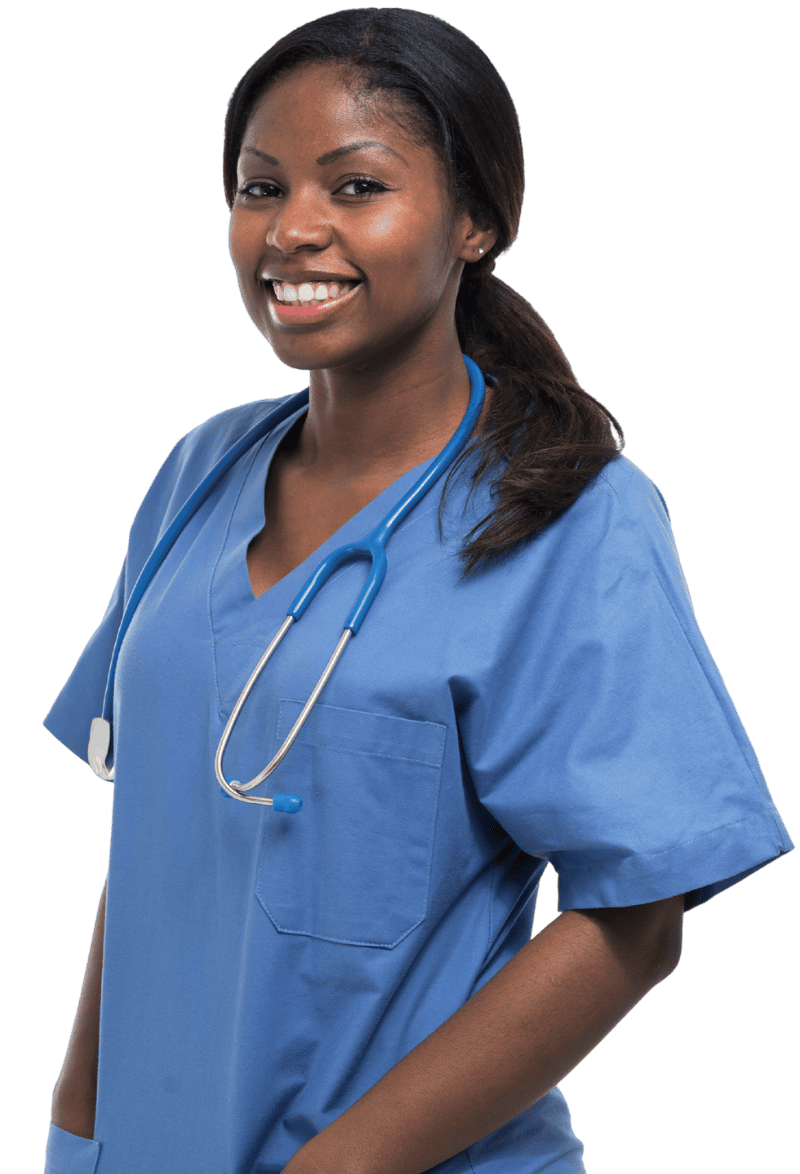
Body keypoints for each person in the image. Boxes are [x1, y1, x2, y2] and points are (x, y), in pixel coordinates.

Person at [42, 8, 794, 1174]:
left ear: (475, 222)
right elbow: (151, 841)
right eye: (258, 187)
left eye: (354, 187)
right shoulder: (200, 472)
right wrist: (74, 1129)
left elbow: (633, 923)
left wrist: (333, 1170)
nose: (291, 230)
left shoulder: (566, 511)